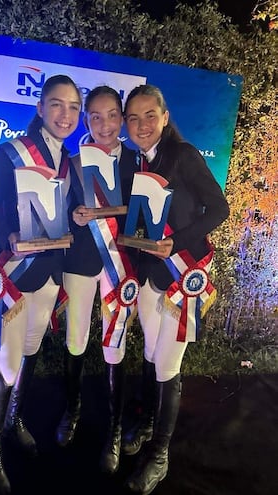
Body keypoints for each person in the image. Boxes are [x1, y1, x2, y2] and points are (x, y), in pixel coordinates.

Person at [0, 75, 82, 494]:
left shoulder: (68, 160)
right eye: (57, 104)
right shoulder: (10, 152)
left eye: (74, 107)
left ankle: (14, 419)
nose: (65, 114)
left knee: (31, 352)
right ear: (40, 108)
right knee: (5, 363)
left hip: (50, 277)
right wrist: (10, 238)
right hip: (17, 278)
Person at [121, 84, 229, 494]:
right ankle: (148, 422)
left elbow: (219, 209)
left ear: (165, 118)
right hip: (150, 274)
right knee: (151, 353)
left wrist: (178, 242)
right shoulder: (134, 162)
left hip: (183, 275)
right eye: (133, 117)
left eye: (150, 115)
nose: (142, 124)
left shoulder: (182, 156)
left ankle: (160, 456)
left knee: (168, 363)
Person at [55, 86, 139, 474]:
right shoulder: (71, 163)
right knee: (75, 340)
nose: (104, 125)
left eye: (111, 116)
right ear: (86, 120)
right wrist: (74, 217)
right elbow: (59, 213)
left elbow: (146, 218)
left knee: (114, 347)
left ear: (121, 119)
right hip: (80, 263)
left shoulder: (137, 164)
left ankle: (115, 429)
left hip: (120, 266)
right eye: (95, 116)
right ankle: (72, 409)